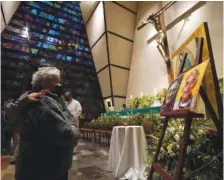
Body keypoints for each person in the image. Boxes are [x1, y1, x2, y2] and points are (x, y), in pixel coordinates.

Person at [15, 67, 80, 180]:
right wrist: (75, 128)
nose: (60, 85)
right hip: (47, 168)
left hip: (35, 165)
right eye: (58, 82)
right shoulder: (44, 102)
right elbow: (65, 134)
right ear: (50, 85)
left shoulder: (30, 97)